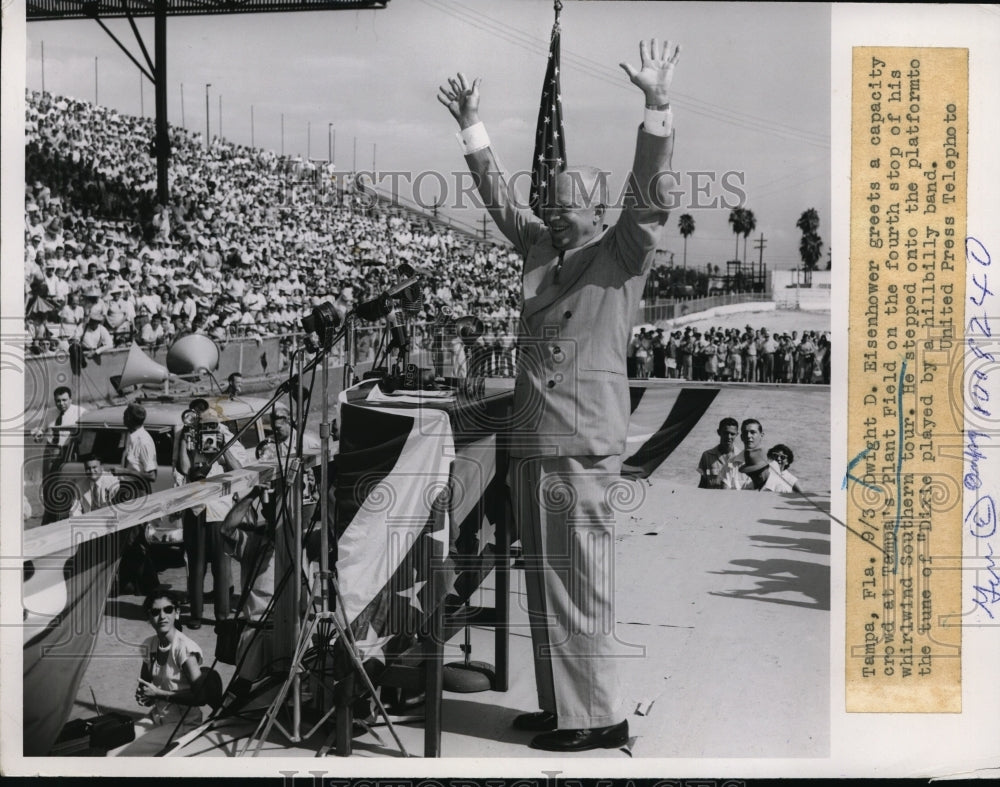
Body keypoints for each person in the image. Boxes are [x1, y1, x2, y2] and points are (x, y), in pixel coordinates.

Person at [438, 37, 680, 752]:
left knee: (581, 582)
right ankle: (561, 705)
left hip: (579, 444)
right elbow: (500, 199)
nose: (553, 209)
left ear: (599, 210)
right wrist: (471, 124)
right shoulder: (542, 250)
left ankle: (598, 715)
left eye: (567, 204)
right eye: (551, 201)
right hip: (533, 440)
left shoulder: (621, 254)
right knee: (544, 586)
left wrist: (658, 108)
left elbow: (650, 198)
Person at [175, 405, 245, 629]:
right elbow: (186, 470)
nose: (209, 430)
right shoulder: (190, 441)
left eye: (213, 425)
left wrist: (224, 449)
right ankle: (196, 615)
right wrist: (184, 444)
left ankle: (222, 616)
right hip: (196, 511)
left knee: (222, 567)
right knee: (196, 567)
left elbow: (239, 469)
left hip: (220, 512)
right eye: (205, 426)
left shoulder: (227, 439)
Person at [112, 590, 206, 755]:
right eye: (155, 612)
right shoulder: (150, 645)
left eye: (168, 610)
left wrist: (159, 694)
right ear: (149, 618)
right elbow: (146, 685)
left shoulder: (184, 648)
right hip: (157, 718)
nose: (162, 616)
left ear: (177, 613)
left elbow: (200, 697)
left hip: (183, 724)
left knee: (122, 755)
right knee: (112, 750)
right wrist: (144, 696)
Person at [697, 417, 742, 489]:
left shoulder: (741, 457)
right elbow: (703, 483)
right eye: (726, 433)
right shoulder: (707, 456)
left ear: (737, 434)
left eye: (732, 434)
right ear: (719, 432)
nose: (729, 437)